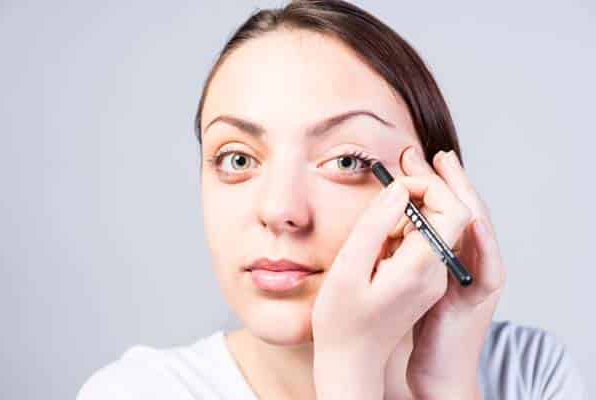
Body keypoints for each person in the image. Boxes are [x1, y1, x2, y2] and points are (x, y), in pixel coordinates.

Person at [77, 1, 588, 399]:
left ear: (436, 191)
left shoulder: (527, 374)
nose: (279, 211)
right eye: (237, 159)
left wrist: (446, 386)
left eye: (346, 162)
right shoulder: (137, 392)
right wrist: (350, 373)